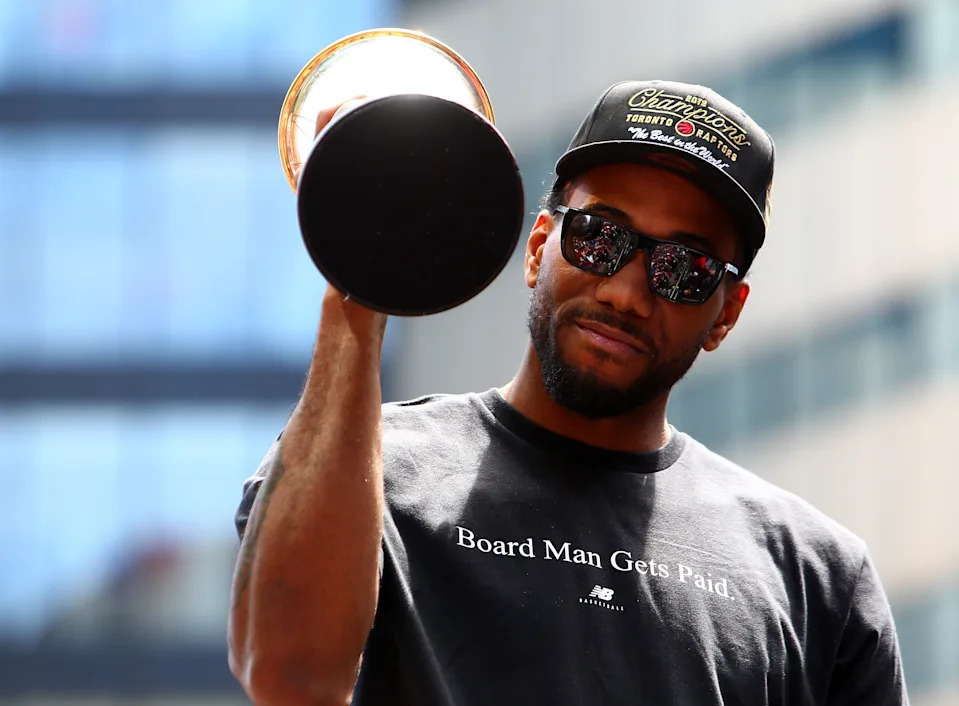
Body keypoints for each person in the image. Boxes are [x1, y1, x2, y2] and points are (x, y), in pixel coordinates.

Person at [227, 80, 910, 705]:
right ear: (538, 247)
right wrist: (363, 269)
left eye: (683, 268)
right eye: (599, 237)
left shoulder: (813, 575)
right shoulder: (368, 473)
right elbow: (289, 672)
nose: (624, 292)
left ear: (725, 314)